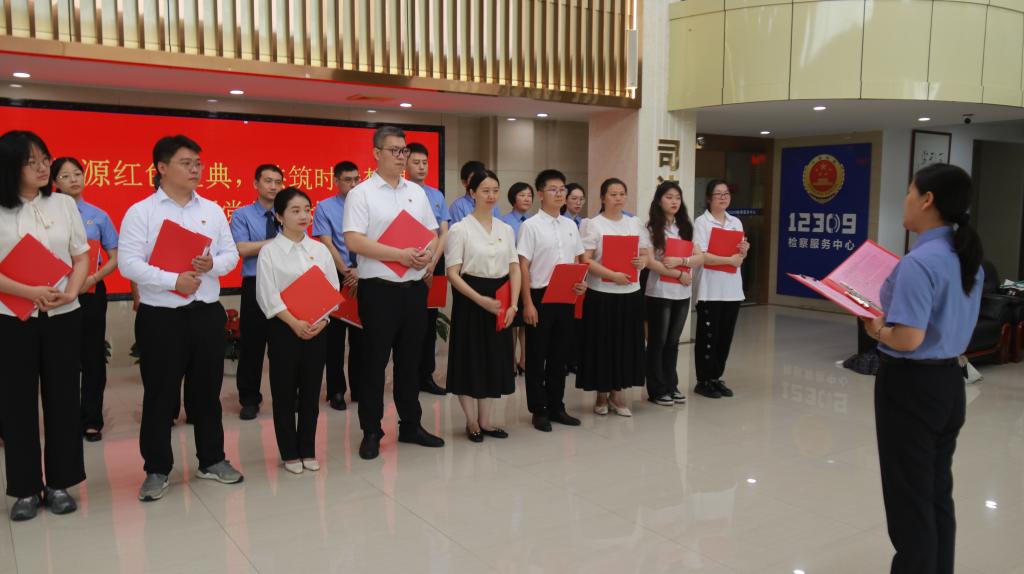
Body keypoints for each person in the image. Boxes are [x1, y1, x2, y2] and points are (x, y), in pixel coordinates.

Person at [862, 163, 983, 574]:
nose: (906, 200)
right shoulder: (965, 257)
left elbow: (908, 338)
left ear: (927, 200)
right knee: (934, 492)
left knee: (909, 501)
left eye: (910, 192)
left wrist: (876, 329)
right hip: (949, 383)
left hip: (910, 388)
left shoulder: (919, 262)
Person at [119, 135, 243, 502]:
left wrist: (211, 264)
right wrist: (173, 280)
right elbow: (129, 264)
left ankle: (212, 459)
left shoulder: (213, 210)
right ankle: (157, 469)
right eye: (186, 163)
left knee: (207, 392)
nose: (195, 169)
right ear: (161, 168)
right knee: (160, 395)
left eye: (198, 163)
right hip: (161, 316)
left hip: (205, 313)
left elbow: (231, 255)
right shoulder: (142, 212)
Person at [0, 131, 89, 521]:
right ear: (10, 167)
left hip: (62, 315)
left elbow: (81, 255)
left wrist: (70, 292)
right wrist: (29, 291)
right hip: (11, 317)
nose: (42, 168)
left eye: (45, 159)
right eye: (30, 161)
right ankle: (24, 488)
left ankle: (59, 484)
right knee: (17, 403)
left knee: (64, 399)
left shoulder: (64, 204)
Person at [343, 126, 445, 460]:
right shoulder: (362, 194)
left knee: (410, 361)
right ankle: (371, 431)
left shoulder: (416, 192)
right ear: (377, 153)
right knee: (374, 363)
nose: (401, 157)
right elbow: (354, 240)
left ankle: (411, 425)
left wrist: (427, 253)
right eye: (395, 151)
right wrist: (398, 255)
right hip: (379, 290)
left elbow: (431, 232)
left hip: (413, 289)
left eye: (404, 151)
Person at [256, 187, 337, 474]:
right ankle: (289, 452)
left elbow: (332, 289)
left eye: (307, 210)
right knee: (284, 393)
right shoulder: (269, 252)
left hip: (317, 328)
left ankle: (308, 449)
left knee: (312, 392)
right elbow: (267, 295)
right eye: (295, 210)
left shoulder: (320, 250)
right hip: (284, 329)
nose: (304, 216)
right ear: (279, 216)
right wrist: (294, 322)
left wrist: (322, 321)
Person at [444, 170, 519, 442]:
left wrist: (514, 305)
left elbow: (514, 267)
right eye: (485, 190)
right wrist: (480, 300)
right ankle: (471, 421)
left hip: (500, 298)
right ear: (472, 193)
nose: (491, 196)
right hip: (470, 299)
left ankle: (486, 421)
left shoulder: (505, 229)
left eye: (495, 190)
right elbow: (453, 273)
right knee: (470, 359)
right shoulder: (460, 229)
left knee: (493, 359)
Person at [51, 157, 119, 441]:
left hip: (91, 292)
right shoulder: (44, 213)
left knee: (92, 356)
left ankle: (91, 420)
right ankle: (63, 419)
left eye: (77, 173)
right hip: (53, 293)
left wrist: (93, 278)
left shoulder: (98, 216)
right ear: (54, 182)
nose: (73, 179)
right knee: (59, 358)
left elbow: (114, 256)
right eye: (65, 176)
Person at [518, 169, 587, 432]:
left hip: (566, 296)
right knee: (537, 356)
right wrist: (528, 303)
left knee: (560, 355)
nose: (559, 194)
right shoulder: (530, 226)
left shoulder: (571, 225)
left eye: (562, 189)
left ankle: (557, 406)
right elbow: (523, 266)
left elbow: (577, 260)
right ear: (540, 194)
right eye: (553, 189)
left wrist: (581, 283)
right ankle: (539, 410)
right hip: (539, 296)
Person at [577, 178, 650, 416]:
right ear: (603, 198)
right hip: (602, 294)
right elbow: (585, 259)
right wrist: (612, 275)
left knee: (624, 345)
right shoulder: (593, 224)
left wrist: (642, 262)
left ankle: (617, 395)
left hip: (630, 293)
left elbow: (645, 255)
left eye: (622, 194)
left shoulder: (634, 223)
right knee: (603, 344)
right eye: (613, 194)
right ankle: (601, 394)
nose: (618, 198)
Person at [230, 164, 284, 420]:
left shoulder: (287, 213)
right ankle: (249, 398)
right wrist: (279, 242)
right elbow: (242, 248)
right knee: (252, 344)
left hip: (285, 283)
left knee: (283, 345)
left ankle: (287, 395)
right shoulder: (242, 215)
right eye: (268, 181)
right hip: (255, 283)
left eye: (278, 182)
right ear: (256, 184)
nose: (273, 186)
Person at [643, 181, 703, 406]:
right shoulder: (650, 228)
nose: (674, 201)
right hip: (660, 291)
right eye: (669, 197)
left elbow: (700, 257)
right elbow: (650, 262)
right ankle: (657, 389)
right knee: (657, 341)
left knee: (673, 341)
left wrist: (681, 262)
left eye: (677, 197)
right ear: (659, 201)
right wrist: (679, 274)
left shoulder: (686, 227)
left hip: (682, 292)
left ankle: (671, 385)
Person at [692, 179, 749, 399]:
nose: (723, 197)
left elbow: (739, 256)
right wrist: (730, 259)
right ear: (709, 198)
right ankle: (703, 380)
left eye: (726, 193)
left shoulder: (736, 222)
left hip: (732, 289)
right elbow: (702, 256)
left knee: (725, 337)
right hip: (710, 288)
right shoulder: (702, 223)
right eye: (718, 194)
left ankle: (716, 377)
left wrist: (743, 251)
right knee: (708, 336)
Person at [313, 161, 362, 410]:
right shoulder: (325, 206)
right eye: (347, 180)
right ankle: (336, 391)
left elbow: (373, 239)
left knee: (361, 338)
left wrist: (359, 270)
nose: (353, 184)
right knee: (334, 339)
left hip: (363, 273)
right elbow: (326, 242)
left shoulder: (366, 204)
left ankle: (359, 388)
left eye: (356, 179)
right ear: (336, 181)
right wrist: (346, 270)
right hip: (335, 276)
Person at [406, 142, 449, 395]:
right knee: (410, 324)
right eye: (416, 162)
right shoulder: (401, 192)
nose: (421, 167)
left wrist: (433, 261)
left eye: (425, 163)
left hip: (435, 263)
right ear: (405, 164)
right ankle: (408, 376)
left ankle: (427, 376)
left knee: (430, 321)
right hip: (408, 262)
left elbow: (443, 232)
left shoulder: (436, 195)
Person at [500, 181, 534, 375]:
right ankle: (511, 361)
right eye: (522, 195)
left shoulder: (533, 222)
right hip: (510, 276)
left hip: (529, 276)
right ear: (513, 198)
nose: (527, 198)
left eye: (529, 195)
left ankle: (525, 360)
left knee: (527, 322)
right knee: (512, 322)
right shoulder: (504, 222)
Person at [561, 182, 586, 374]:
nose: (578, 202)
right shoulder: (561, 222)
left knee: (577, 320)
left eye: (581, 199)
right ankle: (564, 359)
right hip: (563, 277)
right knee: (565, 320)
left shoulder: (584, 223)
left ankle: (574, 358)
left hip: (581, 276)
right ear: (565, 200)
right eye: (574, 198)